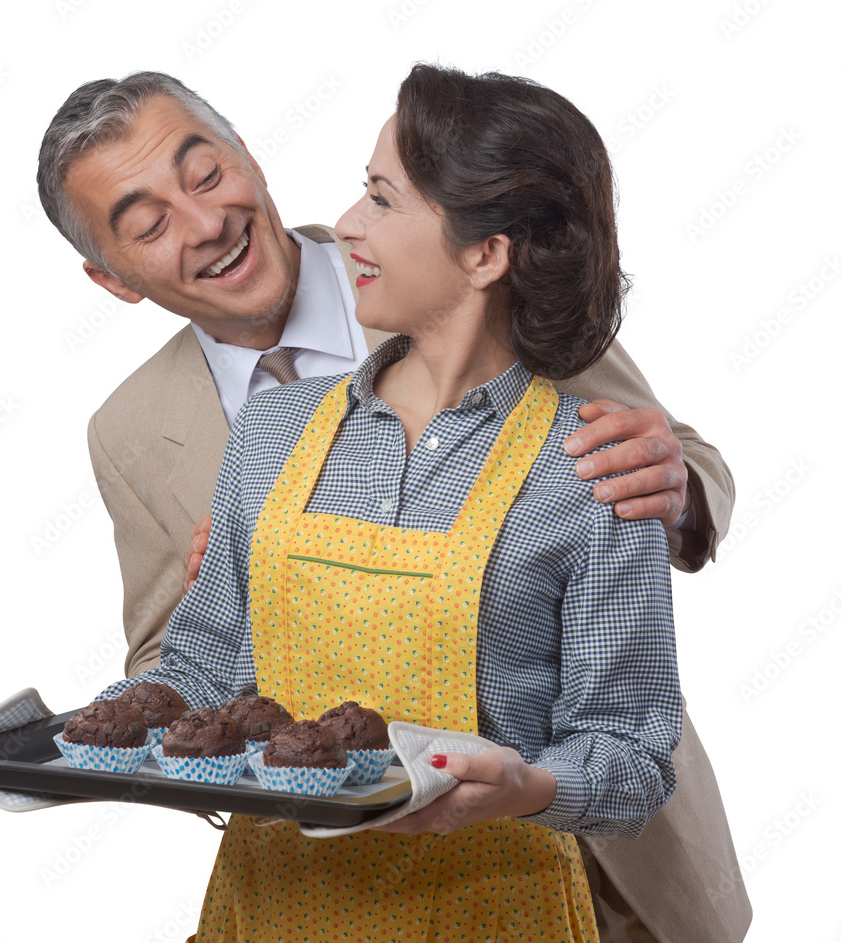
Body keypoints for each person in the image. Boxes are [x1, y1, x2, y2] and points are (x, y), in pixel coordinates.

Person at [37, 72, 749, 942]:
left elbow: (668, 460)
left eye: (206, 173)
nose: (206, 222)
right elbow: (180, 658)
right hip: (304, 888)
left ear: (249, 157)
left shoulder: (469, 261)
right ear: (112, 277)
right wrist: (232, 606)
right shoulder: (142, 431)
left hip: (580, 869)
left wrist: (668, 495)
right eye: (147, 225)